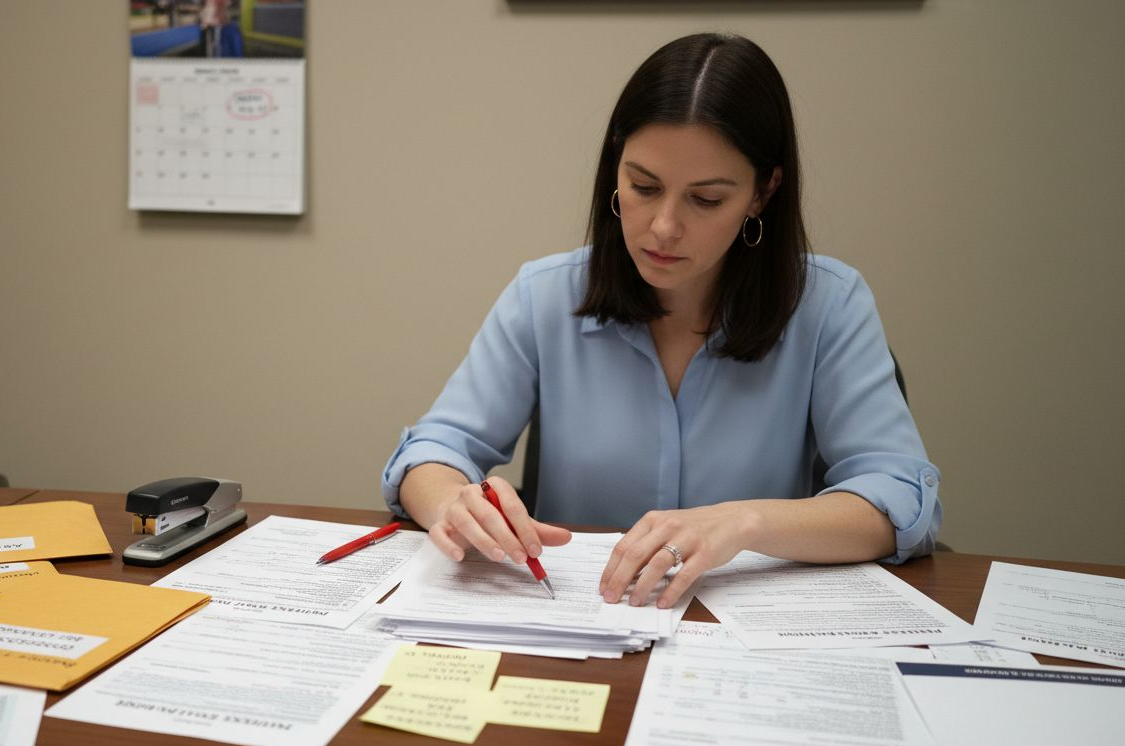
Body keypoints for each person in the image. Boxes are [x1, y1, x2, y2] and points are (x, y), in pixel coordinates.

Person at [381, 33, 941, 610]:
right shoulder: (544, 295)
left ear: (762, 192)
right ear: (615, 167)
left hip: (741, 636)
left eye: (706, 199)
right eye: (644, 187)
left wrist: (742, 524)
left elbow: (900, 497)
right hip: (580, 623)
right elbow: (433, 450)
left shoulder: (829, 304)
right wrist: (451, 501)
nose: (664, 227)